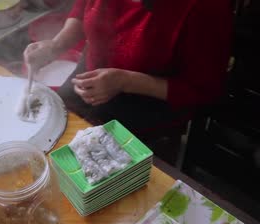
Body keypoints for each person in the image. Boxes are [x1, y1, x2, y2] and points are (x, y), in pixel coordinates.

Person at [24, 0, 233, 138]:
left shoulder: (205, 8)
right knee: (48, 129)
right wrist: (56, 45)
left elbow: (204, 92)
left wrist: (125, 81)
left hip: (149, 103)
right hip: (91, 74)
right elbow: (83, 9)